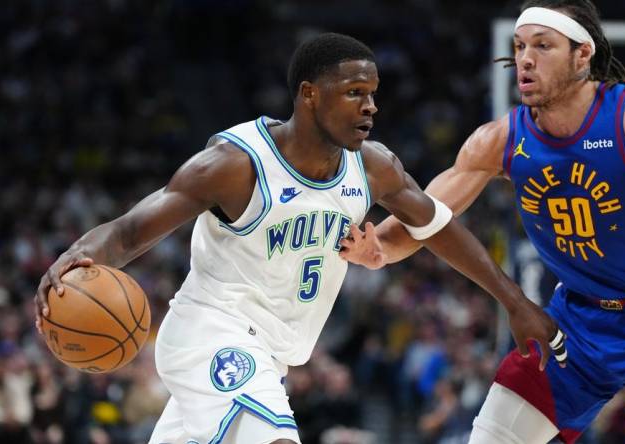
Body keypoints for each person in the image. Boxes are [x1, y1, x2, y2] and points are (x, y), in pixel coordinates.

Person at [34, 33, 564, 444]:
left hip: (275, 355)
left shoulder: (372, 168)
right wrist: (80, 253)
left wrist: (515, 302)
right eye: (354, 93)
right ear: (310, 95)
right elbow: (129, 231)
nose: (370, 107)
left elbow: (438, 225)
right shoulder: (237, 163)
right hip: (213, 335)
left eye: (373, 94)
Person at [340, 1, 625, 443]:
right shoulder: (498, 140)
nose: (525, 59)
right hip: (577, 322)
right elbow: (426, 216)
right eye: (519, 46)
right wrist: (375, 248)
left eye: (543, 45)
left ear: (582, 54)